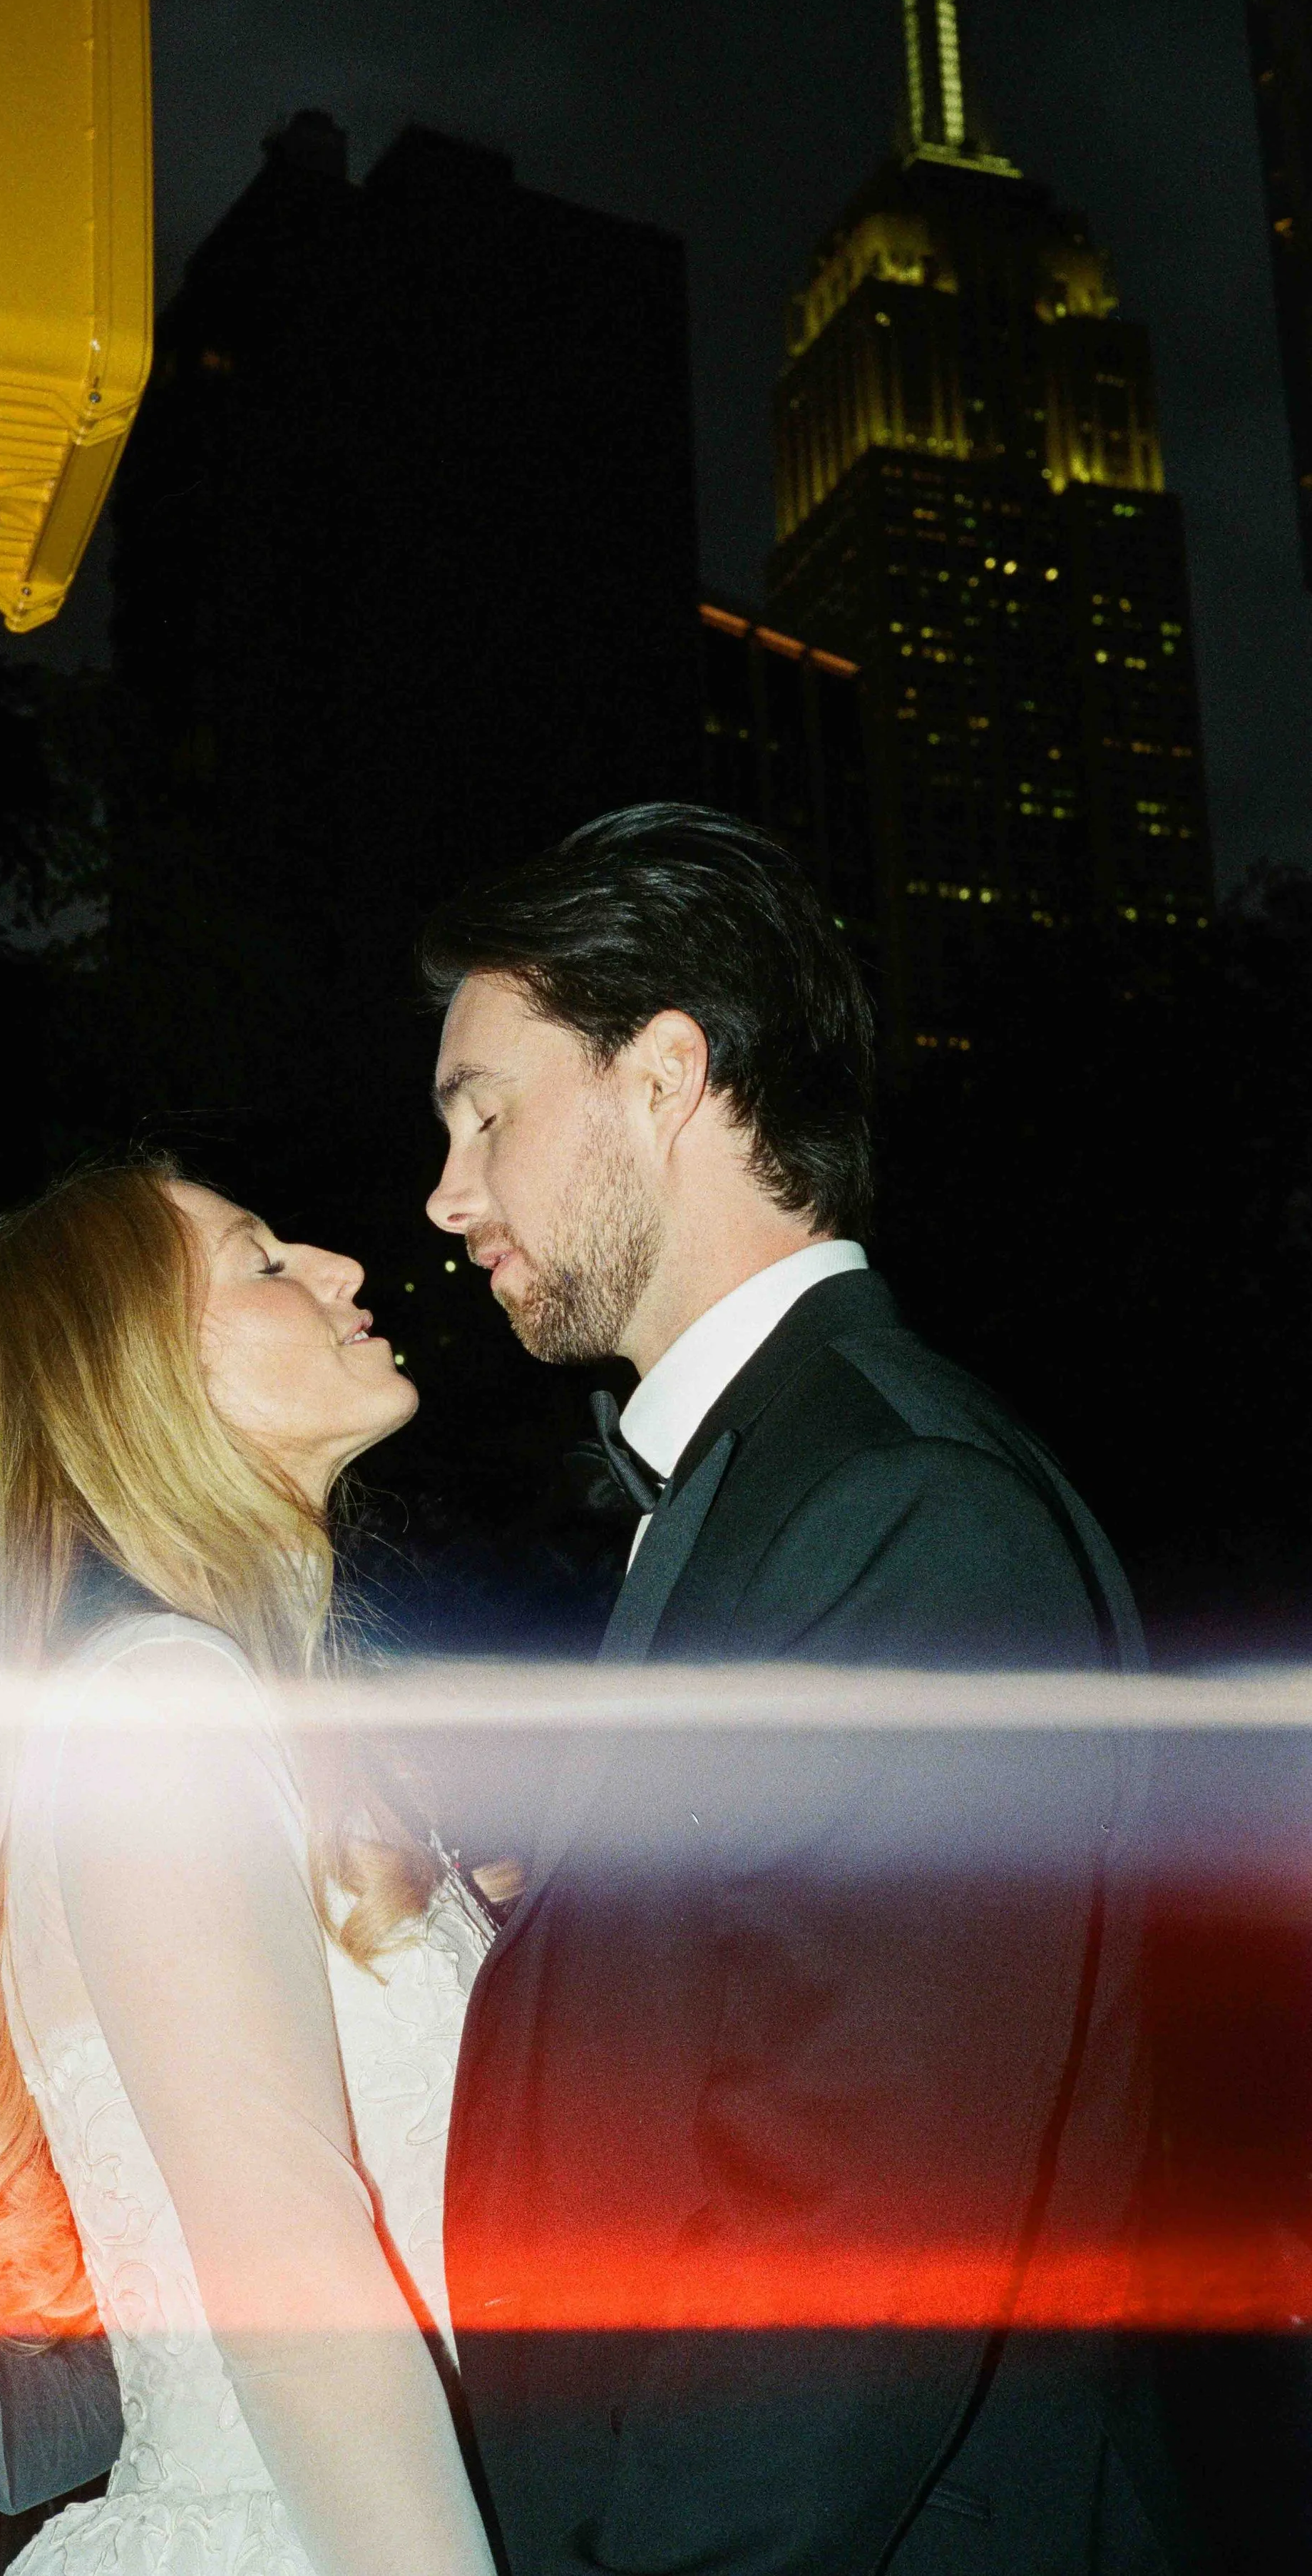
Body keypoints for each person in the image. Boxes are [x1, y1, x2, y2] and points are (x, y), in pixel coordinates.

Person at [421, 804, 1191, 2573]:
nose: (447, 1191)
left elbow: (841, 2249)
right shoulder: (774, 1481)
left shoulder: (898, 1506)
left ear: (664, 1074)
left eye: (484, 1109)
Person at [0, 1162, 499, 2576]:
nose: (340, 1270)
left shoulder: (224, 1711)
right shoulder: (154, 1716)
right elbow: (294, 2293)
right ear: (139, 1382)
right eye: (259, 1262)